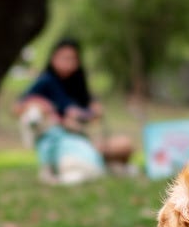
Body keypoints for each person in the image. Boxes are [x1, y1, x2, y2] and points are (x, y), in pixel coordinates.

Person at [16, 39, 133, 170]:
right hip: (59, 137)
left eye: (72, 58)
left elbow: (92, 113)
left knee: (125, 145)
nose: (68, 62)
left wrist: (93, 113)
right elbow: (18, 106)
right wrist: (46, 108)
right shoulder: (45, 81)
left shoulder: (78, 82)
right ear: (53, 58)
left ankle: (102, 161)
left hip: (84, 135)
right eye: (64, 58)